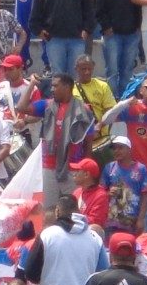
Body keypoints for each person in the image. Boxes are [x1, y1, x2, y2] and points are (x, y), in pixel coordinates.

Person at [19, 72, 96, 207]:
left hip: (73, 167)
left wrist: (85, 169)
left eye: (55, 86)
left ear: (67, 87)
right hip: (49, 165)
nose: (52, 89)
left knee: (73, 209)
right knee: (49, 209)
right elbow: (21, 107)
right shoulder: (47, 105)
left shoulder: (83, 110)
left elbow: (88, 142)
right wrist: (31, 84)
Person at [102, 76, 147, 192]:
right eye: (146, 87)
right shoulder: (132, 108)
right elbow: (106, 119)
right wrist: (124, 103)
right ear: (141, 90)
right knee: (137, 206)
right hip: (137, 169)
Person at [94, 0, 141, 98]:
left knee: (127, 69)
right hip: (112, 33)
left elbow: (137, 3)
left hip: (131, 32)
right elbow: (99, 4)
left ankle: (125, 101)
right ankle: (112, 101)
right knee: (112, 70)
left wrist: (137, 25)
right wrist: (106, 26)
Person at [101, 135, 147, 236]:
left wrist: (141, 219)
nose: (116, 151)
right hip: (111, 220)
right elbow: (100, 192)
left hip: (132, 220)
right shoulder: (109, 167)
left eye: (120, 148)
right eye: (114, 148)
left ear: (129, 149)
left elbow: (145, 195)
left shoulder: (141, 169)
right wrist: (108, 193)